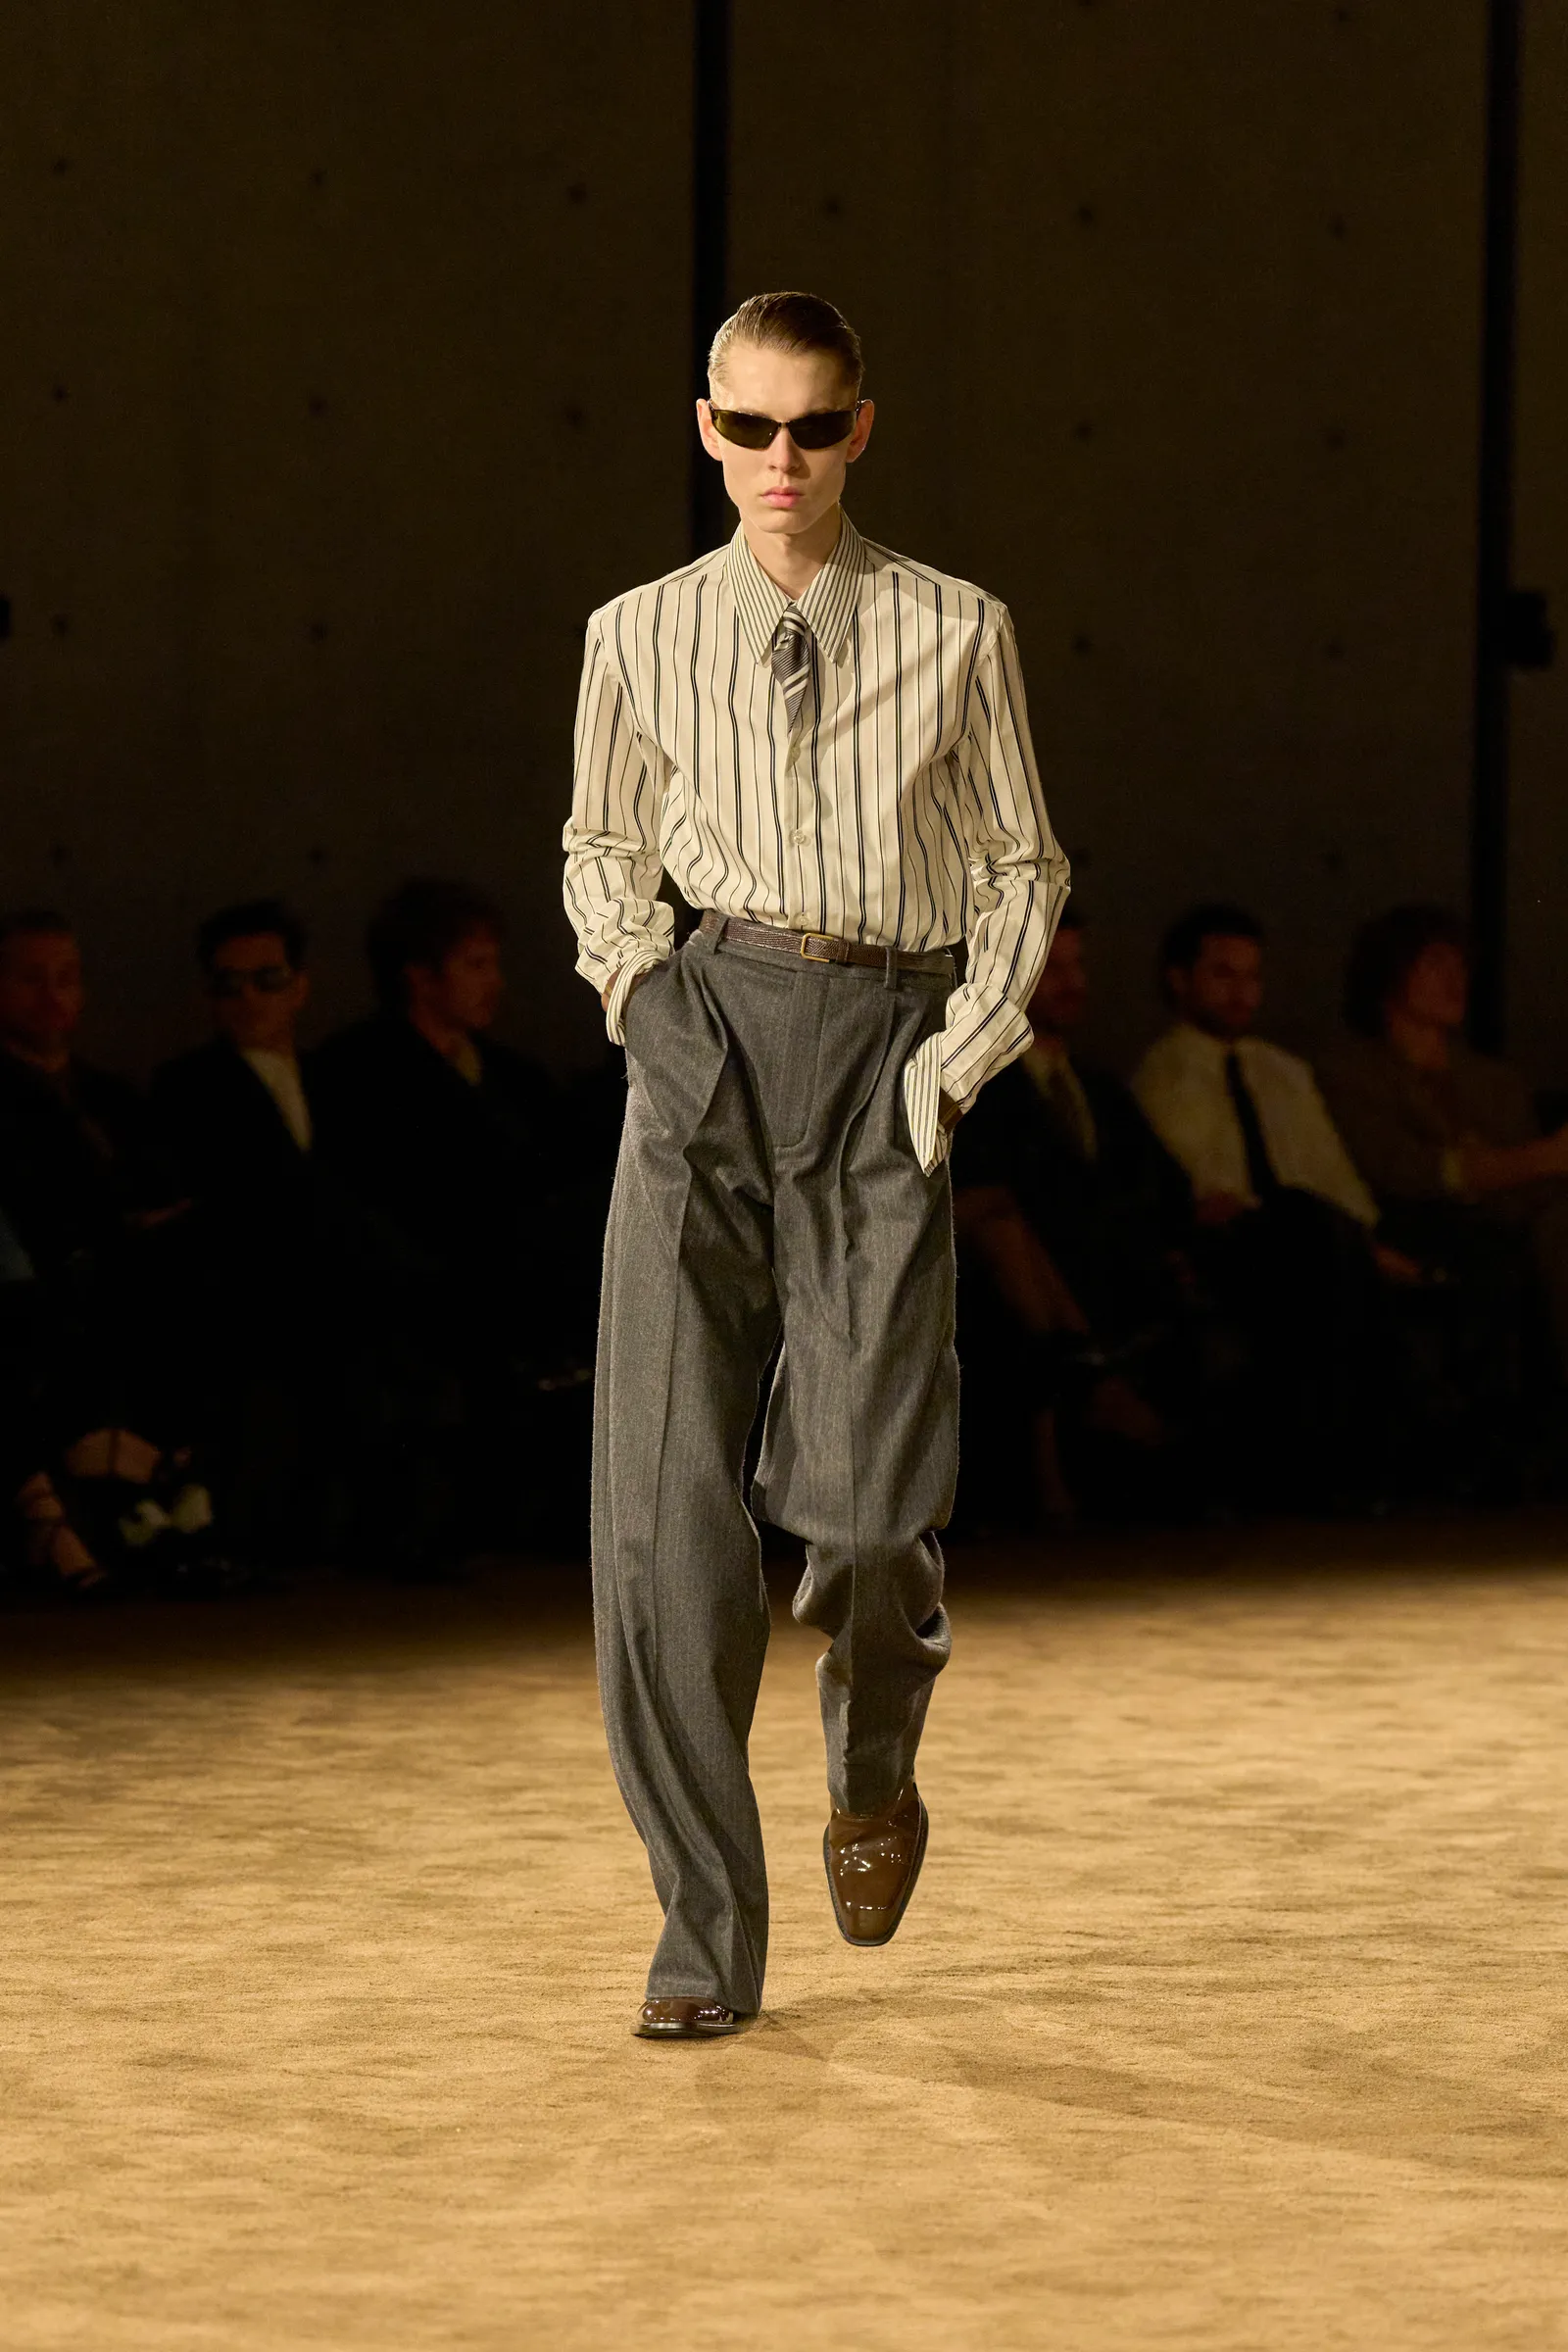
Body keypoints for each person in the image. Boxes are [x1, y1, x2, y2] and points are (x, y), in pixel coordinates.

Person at [564, 290, 1067, 2038]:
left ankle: (873, 1766)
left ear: (862, 428)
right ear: (704, 428)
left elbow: (1021, 864)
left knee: (865, 1516)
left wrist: (952, 1064)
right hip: (703, 1028)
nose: (780, 460)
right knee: (661, 1528)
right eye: (748, 426)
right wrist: (644, 999)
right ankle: (706, 1939)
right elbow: (601, 842)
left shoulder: (957, 628)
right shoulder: (636, 633)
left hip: (884, 1046)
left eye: (814, 427)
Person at [311, 879, 582, 1574]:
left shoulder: (513, 1077)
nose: (495, 982)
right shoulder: (357, 1072)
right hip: (420, 1292)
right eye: (475, 964)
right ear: (420, 976)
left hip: (514, 1289)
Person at [1132, 905, 1412, 1505]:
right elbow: (1198, 1191)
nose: (1241, 992)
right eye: (1223, 974)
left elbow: (1332, 1176)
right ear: (1180, 980)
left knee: (1323, 1236)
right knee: (1302, 1233)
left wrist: (1360, 1236)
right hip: (1237, 1246)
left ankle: (1359, 1460)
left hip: (1312, 1239)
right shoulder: (1163, 1074)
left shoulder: (1283, 1071)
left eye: (1251, 976)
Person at [0, 909, 230, 1593]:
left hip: (130, 1277)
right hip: (51, 1285)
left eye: (67, 978)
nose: (53, 996)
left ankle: (164, 1490)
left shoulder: (110, 1096)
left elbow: (162, 1189)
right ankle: (145, 1492)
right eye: (31, 979)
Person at [951, 908, 1199, 1525]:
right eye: (1050, 967)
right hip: (1031, 1275)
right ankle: (1085, 1380)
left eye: (1077, 965)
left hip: (1116, 1273)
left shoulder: (1101, 1090)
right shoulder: (976, 1089)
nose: (1071, 983)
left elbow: (1166, 1186)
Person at [1319, 904, 1568, 1395]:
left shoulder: (1495, 1081)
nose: (1456, 980)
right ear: (1391, 973)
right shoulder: (1350, 1073)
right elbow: (1398, 1168)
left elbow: (1533, 1186)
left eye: (1461, 966)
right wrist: (1534, 1161)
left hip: (1514, 1219)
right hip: (1423, 1224)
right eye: (1436, 963)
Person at [151, 900, 324, 1563]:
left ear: (299, 987)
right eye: (229, 984)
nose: (249, 998)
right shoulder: (185, 1088)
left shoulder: (335, 1078)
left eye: (267, 979)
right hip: (246, 1296)